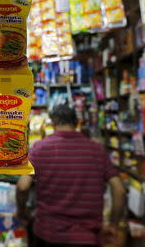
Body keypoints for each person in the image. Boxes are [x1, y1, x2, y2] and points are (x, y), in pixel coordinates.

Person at [17, 104, 126, 247]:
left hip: (48, 234)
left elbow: (23, 186)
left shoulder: (40, 148)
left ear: (53, 122)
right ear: (76, 123)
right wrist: (113, 223)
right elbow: (119, 190)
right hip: (87, 237)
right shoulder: (97, 150)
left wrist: (22, 211)